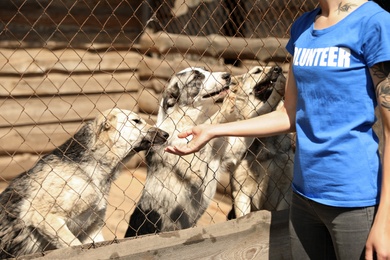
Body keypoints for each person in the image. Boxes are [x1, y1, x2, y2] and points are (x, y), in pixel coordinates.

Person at [165, 0, 390, 259]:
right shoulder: (304, 27)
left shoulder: (374, 22)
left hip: (354, 199)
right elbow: (288, 113)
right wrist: (214, 131)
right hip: (304, 198)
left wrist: (385, 219)